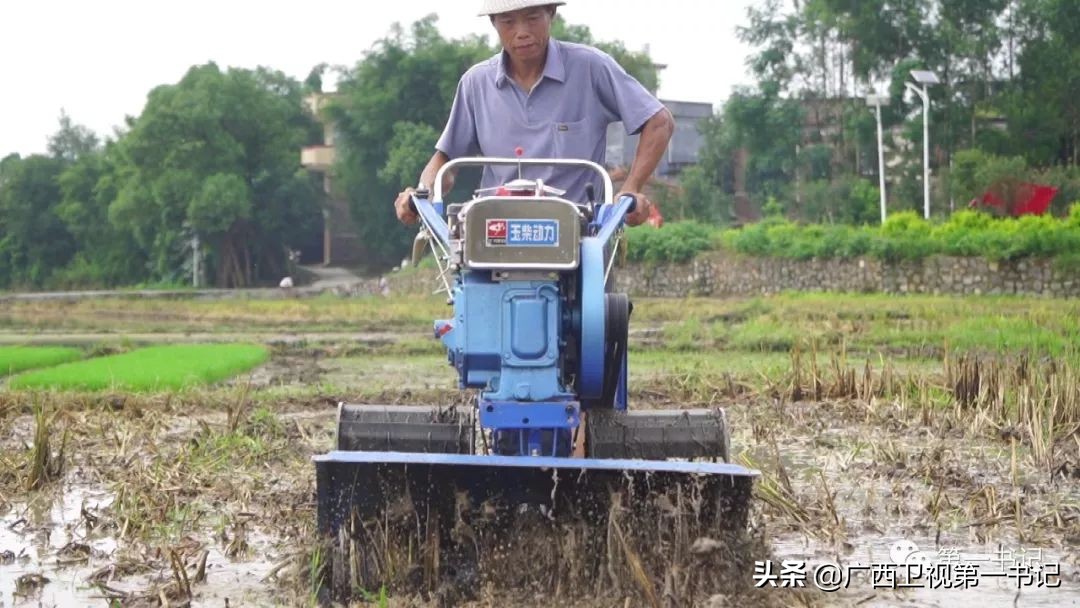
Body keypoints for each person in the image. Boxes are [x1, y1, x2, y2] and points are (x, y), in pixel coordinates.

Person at [393, 0, 674, 227]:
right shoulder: (475, 83)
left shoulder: (590, 68)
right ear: (494, 23)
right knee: (467, 285)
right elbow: (446, 159)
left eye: (532, 17)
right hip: (496, 231)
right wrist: (422, 193)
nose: (522, 31)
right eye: (508, 21)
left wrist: (630, 188)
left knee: (591, 293)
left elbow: (659, 122)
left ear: (551, 13)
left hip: (578, 231)